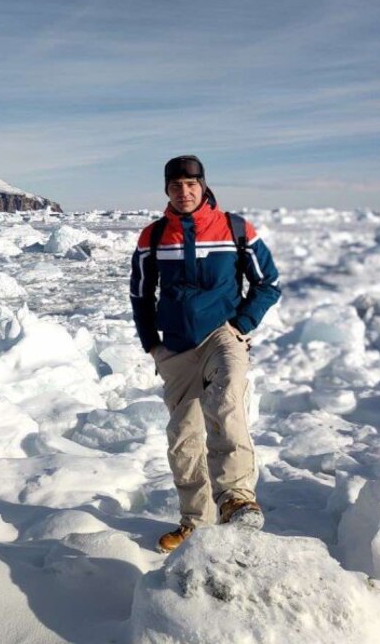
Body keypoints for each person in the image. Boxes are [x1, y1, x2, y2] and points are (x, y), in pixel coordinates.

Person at [130, 155, 281, 552]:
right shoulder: (154, 236)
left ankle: (236, 499)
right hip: (177, 346)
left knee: (229, 393)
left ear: (203, 185)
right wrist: (152, 343)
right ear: (167, 190)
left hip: (222, 335)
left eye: (191, 184)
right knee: (184, 437)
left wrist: (242, 324)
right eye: (176, 186)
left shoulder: (234, 229)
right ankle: (195, 523)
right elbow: (140, 294)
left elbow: (268, 283)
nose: (184, 192)